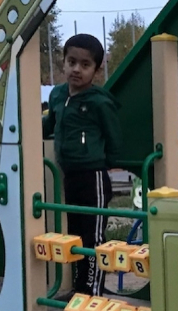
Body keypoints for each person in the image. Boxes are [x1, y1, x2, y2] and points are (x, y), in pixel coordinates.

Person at [42, 34, 122, 296]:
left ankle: (92, 290)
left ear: (95, 71)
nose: (76, 69)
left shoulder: (99, 101)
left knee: (93, 236)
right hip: (69, 176)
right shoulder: (57, 95)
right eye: (71, 62)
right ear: (63, 63)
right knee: (74, 234)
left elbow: (114, 137)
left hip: (93, 177)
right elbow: (50, 125)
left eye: (85, 65)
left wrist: (102, 161)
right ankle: (79, 288)